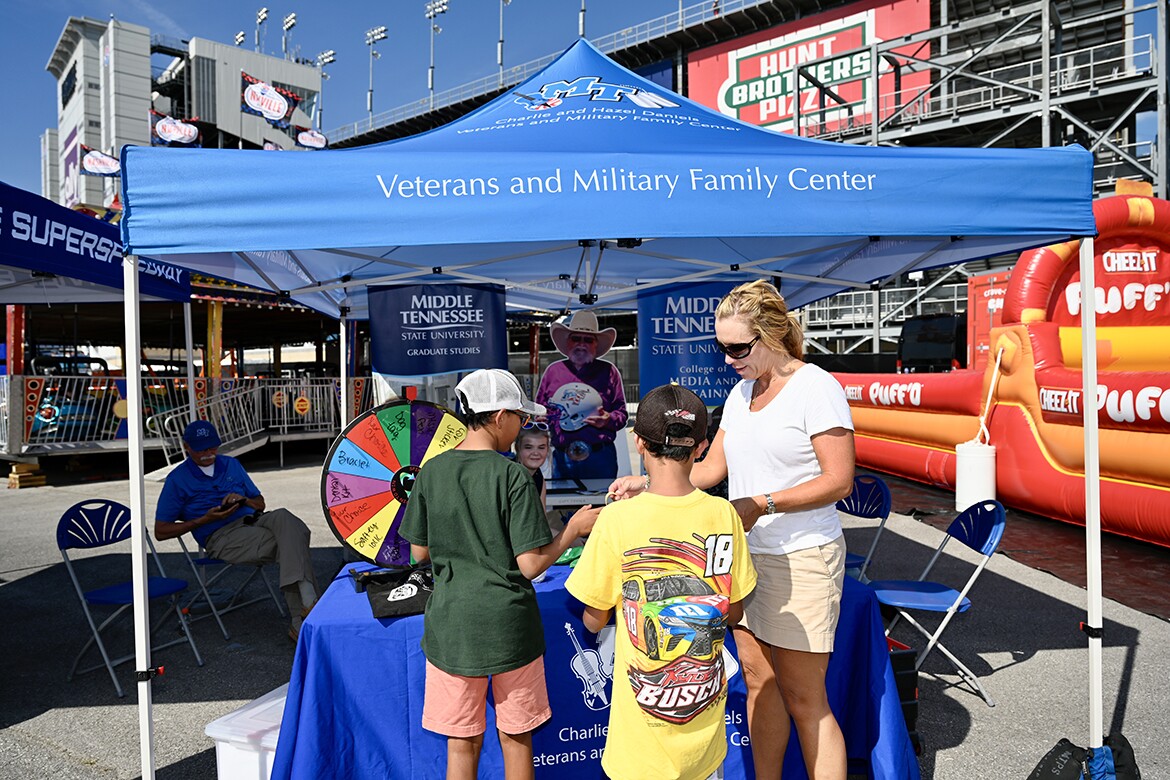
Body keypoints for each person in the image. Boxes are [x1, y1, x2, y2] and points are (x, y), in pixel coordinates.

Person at [609, 280, 855, 780]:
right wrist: (647, 481)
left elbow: (839, 480)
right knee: (760, 684)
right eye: (721, 347)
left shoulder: (817, 387)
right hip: (744, 559)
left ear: (771, 335)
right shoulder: (742, 393)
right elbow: (708, 470)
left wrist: (762, 503)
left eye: (738, 348)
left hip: (802, 556)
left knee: (806, 700)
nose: (727, 359)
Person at [399, 368, 601, 780]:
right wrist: (572, 531)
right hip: (510, 626)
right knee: (516, 735)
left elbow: (419, 551)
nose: (521, 427)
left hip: (451, 627)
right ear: (499, 417)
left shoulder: (431, 471)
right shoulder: (513, 476)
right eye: (520, 418)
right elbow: (530, 565)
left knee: (461, 740)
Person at [567, 383, 756, 780]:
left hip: (639, 752)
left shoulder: (616, 519)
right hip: (706, 746)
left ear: (638, 443)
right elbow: (735, 610)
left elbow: (593, 620)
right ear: (701, 447)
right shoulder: (724, 514)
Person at [154, 420, 320, 642]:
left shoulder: (230, 464)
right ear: (186, 447)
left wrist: (244, 500)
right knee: (293, 540)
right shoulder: (177, 479)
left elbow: (260, 503)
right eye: (201, 449)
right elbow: (161, 531)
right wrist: (204, 519)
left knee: (285, 518)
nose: (208, 453)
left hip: (254, 521)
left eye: (212, 447)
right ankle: (307, 609)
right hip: (221, 536)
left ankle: (304, 615)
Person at [536, 310, 628, 480]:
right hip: (563, 457)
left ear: (596, 344)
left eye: (588, 340)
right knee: (564, 498)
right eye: (576, 338)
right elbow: (540, 410)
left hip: (600, 457)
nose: (581, 344)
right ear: (568, 342)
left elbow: (622, 414)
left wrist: (608, 419)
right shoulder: (553, 372)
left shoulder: (609, 372)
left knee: (602, 498)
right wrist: (542, 418)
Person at [513, 423, 551, 508]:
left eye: (541, 447)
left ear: (547, 449)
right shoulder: (510, 476)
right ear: (517, 448)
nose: (535, 453)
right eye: (528, 447)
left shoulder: (539, 478)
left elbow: (541, 515)